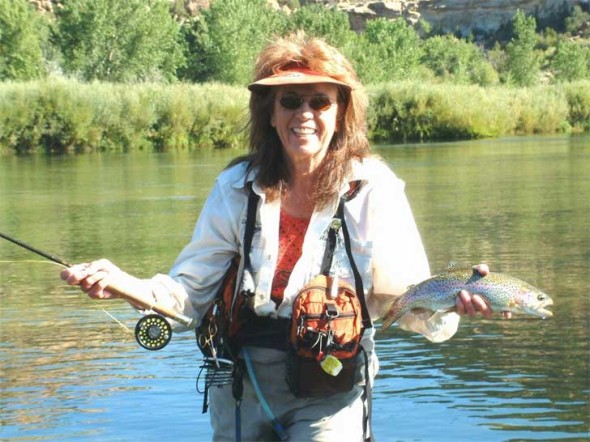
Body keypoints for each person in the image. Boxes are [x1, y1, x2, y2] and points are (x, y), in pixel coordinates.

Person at [60, 32, 506, 441]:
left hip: (334, 386)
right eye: (290, 101)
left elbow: (407, 302)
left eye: (320, 101)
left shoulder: (375, 190)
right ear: (270, 114)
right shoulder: (236, 187)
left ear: (342, 113)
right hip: (241, 387)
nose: (305, 115)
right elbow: (188, 295)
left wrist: (454, 304)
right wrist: (126, 285)